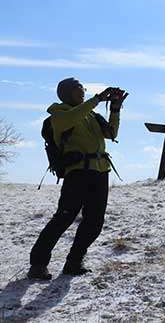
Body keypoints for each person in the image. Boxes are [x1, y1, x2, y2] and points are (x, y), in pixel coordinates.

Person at [27, 78, 127, 280]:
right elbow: (71, 119)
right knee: (64, 217)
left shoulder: (90, 115)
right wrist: (97, 99)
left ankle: (74, 262)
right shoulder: (58, 114)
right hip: (78, 172)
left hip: (100, 172)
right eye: (79, 88)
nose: (83, 91)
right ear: (67, 93)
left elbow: (111, 133)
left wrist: (115, 109)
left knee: (95, 221)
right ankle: (38, 264)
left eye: (83, 88)